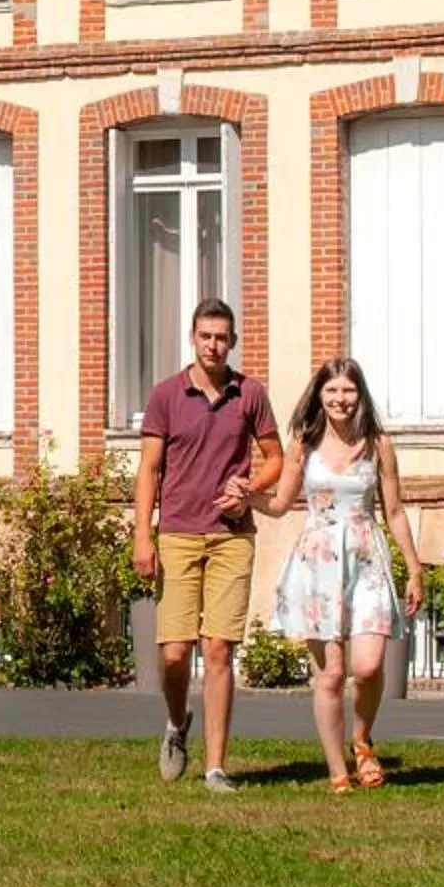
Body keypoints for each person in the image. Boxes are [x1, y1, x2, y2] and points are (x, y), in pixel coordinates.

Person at [130, 298, 282, 792]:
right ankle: (177, 724)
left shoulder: (250, 394)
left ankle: (216, 767)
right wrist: (142, 536)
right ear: (193, 339)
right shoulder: (166, 396)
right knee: (174, 654)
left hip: (231, 538)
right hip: (175, 533)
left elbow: (276, 458)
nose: (214, 345)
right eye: (206, 336)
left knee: (218, 651)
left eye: (222, 337)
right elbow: (149, 470)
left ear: (232, 342)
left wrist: (250, 489)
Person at [262, 357, 427, 792]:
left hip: (367, 558)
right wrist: (247, 499)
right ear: (319, 394)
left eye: (348, 391)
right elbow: (279, 504)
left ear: (360, 394)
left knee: (369, 667)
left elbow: (393, 510)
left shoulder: (378, 444)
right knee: (332, 674)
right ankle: (338, 771)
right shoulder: (303, 444)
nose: (340, 399)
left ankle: (361, 739)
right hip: (317, 564)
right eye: (332, 390)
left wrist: (413, 568)